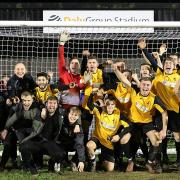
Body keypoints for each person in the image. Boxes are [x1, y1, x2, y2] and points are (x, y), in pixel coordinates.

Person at [114, 65, 168, 173]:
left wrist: (164, 130)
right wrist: (115, 70)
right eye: (143, 84)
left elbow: (164, 113)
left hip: (147, 124)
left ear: (150, 85)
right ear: (139, 85)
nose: (145, 87)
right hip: (133, 123)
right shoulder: (134, 91)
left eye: (148, 85)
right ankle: (130, 161)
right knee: (123, 140)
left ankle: (149, 162)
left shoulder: (154, 98)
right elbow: (123, 79)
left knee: (156, 141)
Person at [138, 37, 180, 171]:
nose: (168, 64)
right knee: (160, 136)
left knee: (177, 137)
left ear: (174, 66)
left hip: (175, 111)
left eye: (171, 63)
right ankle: (161, 160)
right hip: (161, 111)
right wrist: (144, 48)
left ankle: (178, 161)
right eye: (166, 63)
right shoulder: (159, 73)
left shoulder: (178, 76)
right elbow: (151, 60)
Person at [19, 96, 66, 175]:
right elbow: (32, 105)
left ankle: (52, 164)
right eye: (50, 103)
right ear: (46, 104)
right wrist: (42, 109)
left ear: (57, 105)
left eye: (54, 103)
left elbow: (74, 112)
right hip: (38, 141)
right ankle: (32, 169)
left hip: (51, 143)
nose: (52, 105)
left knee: (61, 154)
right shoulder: (39, 112)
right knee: (23, 146)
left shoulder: (61, 114)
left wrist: (77, 124)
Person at [86, 91, 132, 172]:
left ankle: (102, 161)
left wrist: (119, 136)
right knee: (89, 146)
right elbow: (89, 104)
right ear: (105, 104)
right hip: (98, 138)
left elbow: (129, 127)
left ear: (115, 105)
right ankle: (93, 162)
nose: (110, 106)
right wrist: (92, 94)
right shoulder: (99, 111)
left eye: (112, 104)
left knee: (110, 169)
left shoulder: (119, 114)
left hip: (108, 143)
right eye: (108, 104)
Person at [0, 91, 41, 171]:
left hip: (29, 131)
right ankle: (2, 164)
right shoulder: (16, 107)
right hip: (15, 130)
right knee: (8, 143)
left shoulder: (37, 108)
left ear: (32, 100)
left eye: (28, 100)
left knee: (31, 141)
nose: (26, 103)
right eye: (24, 101)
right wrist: (5, 129)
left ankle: (33, 164)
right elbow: (10, 120)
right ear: (21, 101)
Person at [58, 31, 84, 109]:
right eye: (72, 63)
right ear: (69, 65)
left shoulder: (81, 77)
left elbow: (82, 86)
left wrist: (77, 84)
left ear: (79, 66)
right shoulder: (64, 73)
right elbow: (61, 57)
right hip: (64, 107)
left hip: (76, 109)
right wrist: (61, 44)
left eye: (76, 63)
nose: (74, 65)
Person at [59, 106, 85, 172]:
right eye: (71, 114)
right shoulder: (62, 121)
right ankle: (63, 161)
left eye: (75, 115)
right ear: (68, 114)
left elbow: (80, 144)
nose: (72, 117)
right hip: (63, 144)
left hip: (73, 145)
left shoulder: (79, 128)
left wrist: (81, 161)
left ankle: (74, 161)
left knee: (81, 147)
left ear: (78, 117)